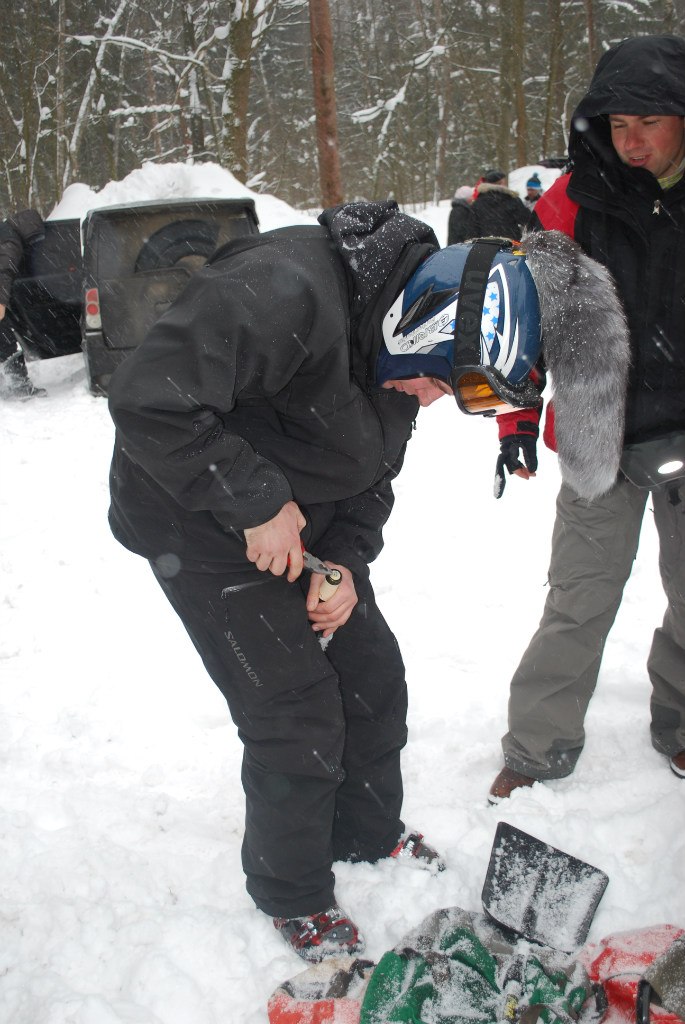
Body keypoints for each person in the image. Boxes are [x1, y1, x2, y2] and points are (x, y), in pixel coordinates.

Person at [489, 34, 685, 802]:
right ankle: (536, 747)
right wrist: (513, 424)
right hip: (598, 435)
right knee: (577, 598)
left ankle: (678, 721)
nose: (630, 143)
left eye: (648, 123)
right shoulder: (568, 203)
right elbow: (523, 326)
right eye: (616, 126)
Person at [0, 209, 46, 399]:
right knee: (6, 342)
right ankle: (19, 387)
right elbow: (4, 271)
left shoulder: (4, 230)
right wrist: (1, 301)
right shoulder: (10, 241)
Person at [448, 168, 531, 243]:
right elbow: (527, 220)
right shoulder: (512, 200)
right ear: (501, 183)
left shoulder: (477, 203)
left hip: (485, 248)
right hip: (510, 246)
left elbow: (471, 231)